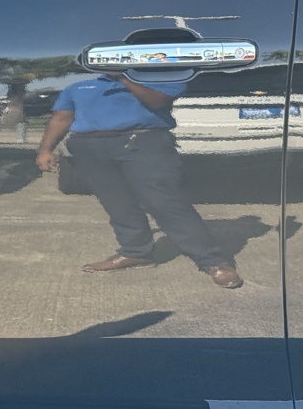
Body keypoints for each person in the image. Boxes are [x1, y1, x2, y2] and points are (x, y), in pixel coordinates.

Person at [35, 73, 242, 289]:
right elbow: (62, 117)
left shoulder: (158, 79)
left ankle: (213, 261)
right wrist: (45, 149)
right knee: (116, 203)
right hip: (88, 147)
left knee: (164, 202)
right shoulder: (79, 86)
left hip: (144, 142)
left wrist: (124, 79)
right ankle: (135, 252)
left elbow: (158, 101)